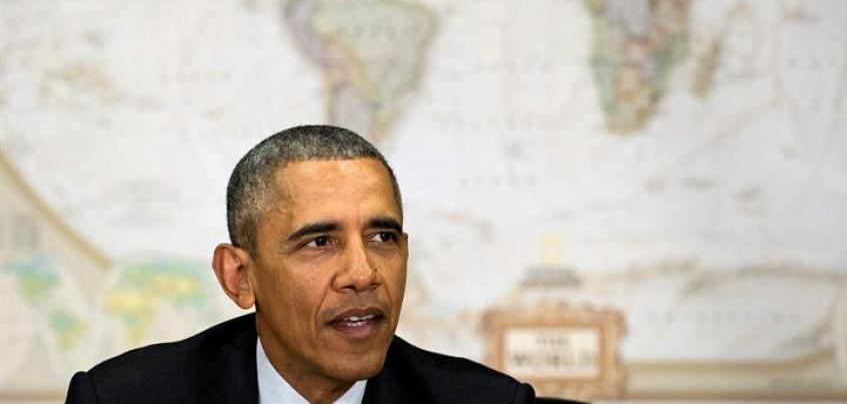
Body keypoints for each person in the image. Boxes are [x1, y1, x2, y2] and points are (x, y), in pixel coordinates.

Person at [66, 125, 535, 403]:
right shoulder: (124, 399)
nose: (363, 273)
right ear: (239, 277)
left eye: (382, 237)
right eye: (319, 242)